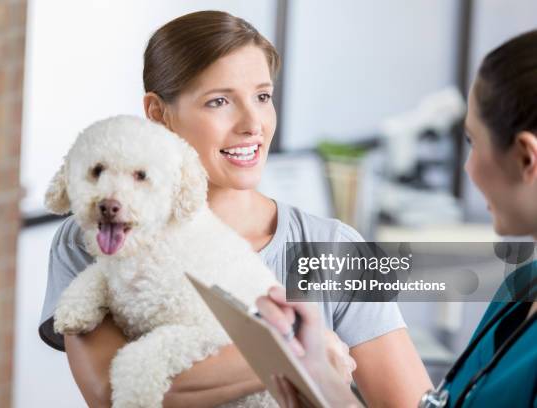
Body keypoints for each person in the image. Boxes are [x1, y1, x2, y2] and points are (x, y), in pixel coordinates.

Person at [38, 10, 432, 407]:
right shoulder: (96, 236)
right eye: (220, 101)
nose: (252, 123)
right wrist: (297, 353)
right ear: (158, 114)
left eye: (263, 96)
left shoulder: (331, 246)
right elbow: (111, 395)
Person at [257, 29, 537, 408]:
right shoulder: (521, 287)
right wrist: (324, 383)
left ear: (526, 158)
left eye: (473, 143)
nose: (468, 168)